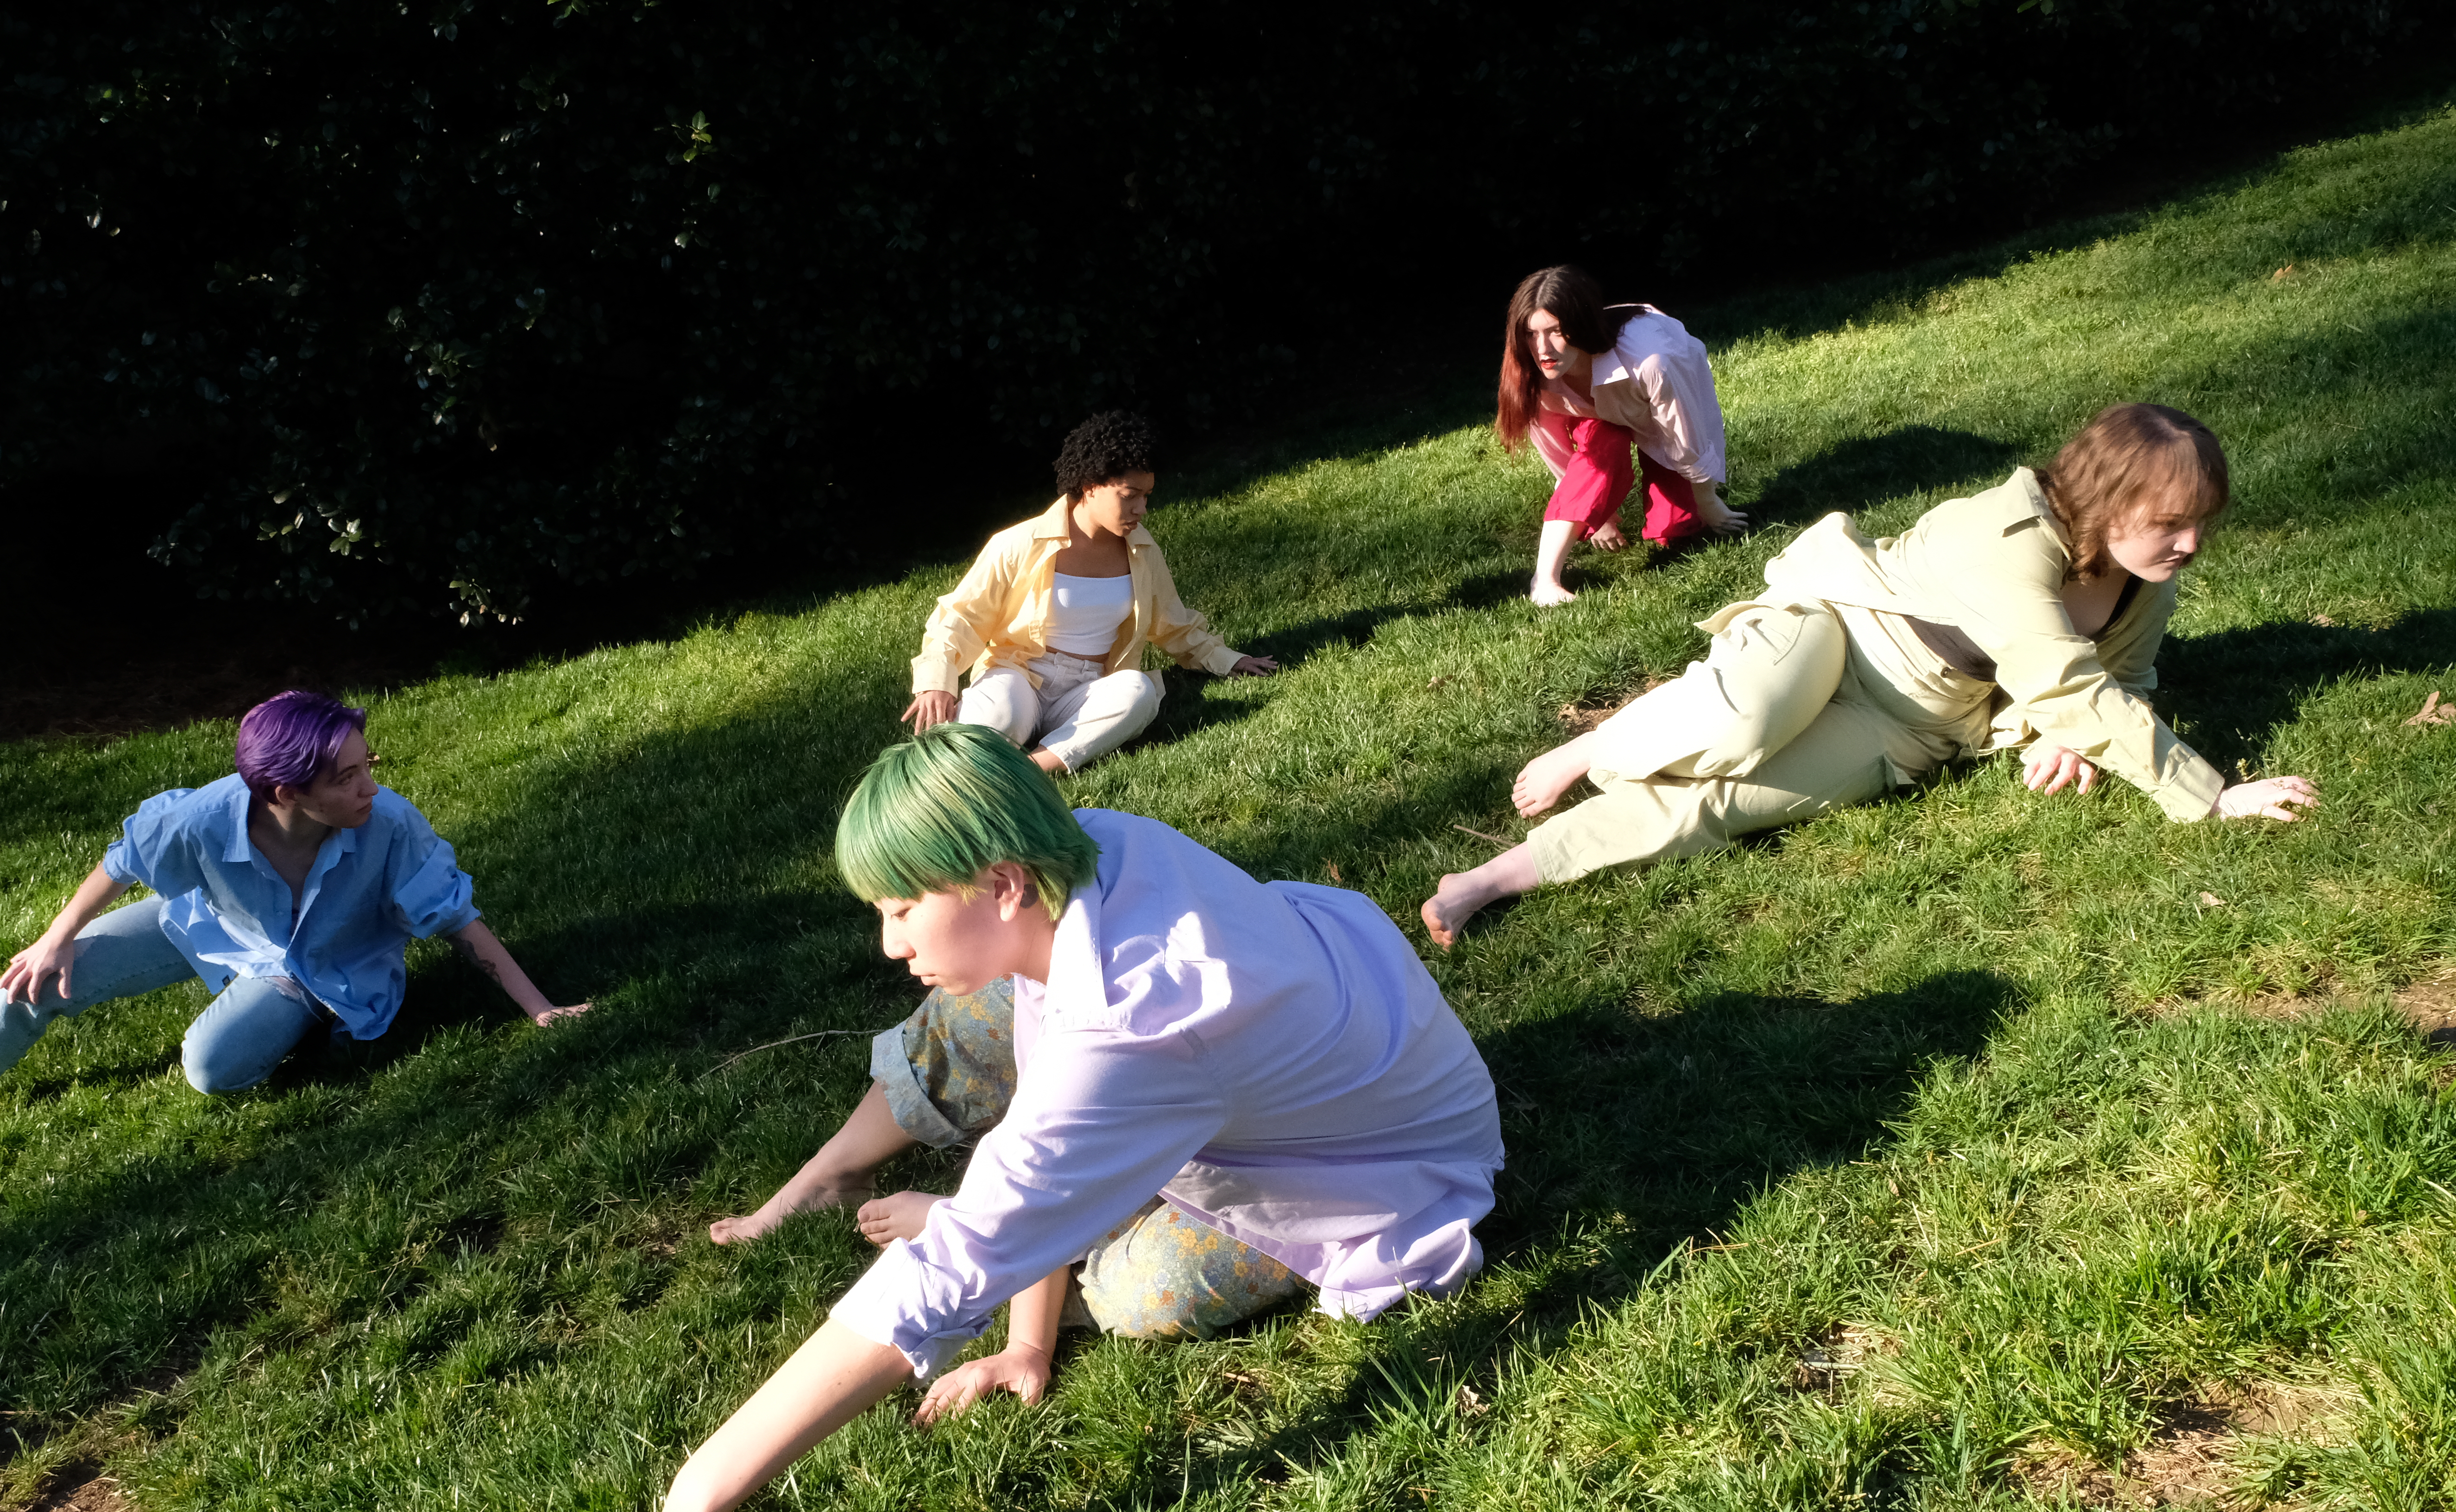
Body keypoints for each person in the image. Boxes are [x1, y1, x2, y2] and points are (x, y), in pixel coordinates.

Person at [668, 725, 1501, 1512]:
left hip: (1381, 1164)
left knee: (1149, 1292)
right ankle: (837, 1173)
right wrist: (1023, 1335)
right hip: (1340, 1014)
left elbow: (945, 1274)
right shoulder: (1092, 840)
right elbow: (1053, 1092)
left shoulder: (1133, 1027)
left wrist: (699, 1491)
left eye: (901, 909)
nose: (889, 944)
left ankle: (1022, 1218)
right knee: (974, 1006)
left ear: (1002, 883)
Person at [1423, 403, 2322, 947]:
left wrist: (2064, 736)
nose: (2192, 543)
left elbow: (2116, 678)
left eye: (2200, 521)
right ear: (2111, 500)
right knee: (1739, 723)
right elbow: (2064, 680)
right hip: (1838, 635)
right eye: (2172, 522)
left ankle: (1494, 877)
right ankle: (1605, 740)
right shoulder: (2003, 542)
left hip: (1919, 723)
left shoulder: (2147, 577)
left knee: (1727, 801)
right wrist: (2207, 794)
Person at [0, 690, 586, 1151]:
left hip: (310, 966)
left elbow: (457, 917)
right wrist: (53, 941)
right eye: (347, 777)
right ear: (285, 792)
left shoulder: (388, 822)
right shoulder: (203, 818)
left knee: (211, 1068)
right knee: (30, 981)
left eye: (369, 765)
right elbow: (122, 863)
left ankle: (298, 1016)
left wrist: (540, 1010)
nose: (370, 785)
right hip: (207, 923)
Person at [902, 410, 1276, 774]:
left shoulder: (1143, 551)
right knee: (999, 714)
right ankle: (962, 763)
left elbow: (1172, 622)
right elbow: (964, 616)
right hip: (1019, 676)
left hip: (1088, 688)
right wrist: (937, 682)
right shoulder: (1018, 543)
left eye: (1147, 496)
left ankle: (1032, 771)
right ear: (1089, 485)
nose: (1141, 509)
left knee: (1139, 693)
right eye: (1130, 495)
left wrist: (1227, 659)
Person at [1496, 264, 1751, 606]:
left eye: (1555, 332)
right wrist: (1595, 517)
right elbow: (1563, 459)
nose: (1543, 348)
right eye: (1530, 333)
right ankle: (1544, 581)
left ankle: (1682, 511)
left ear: (1580, 325)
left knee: (1675, 528)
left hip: (1654, 412)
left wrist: (1708, 500)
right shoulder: (1533, 374)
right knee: (1601, 448)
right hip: (1598, 417)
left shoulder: (1653, 361)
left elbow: (1686, 433)